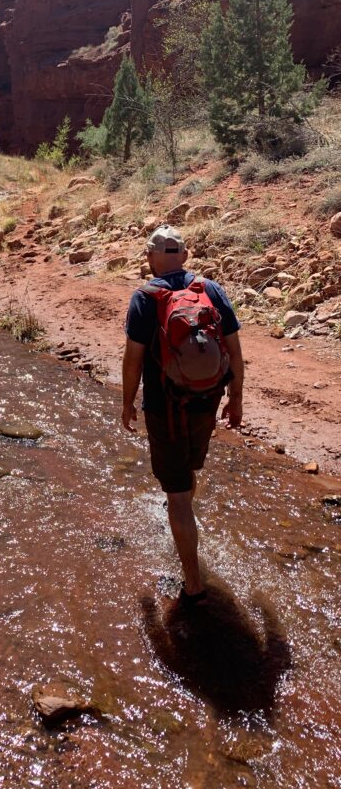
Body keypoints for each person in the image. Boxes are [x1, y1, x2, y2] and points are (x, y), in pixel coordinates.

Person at [121, 224, 244, 605]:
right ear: (186, 256)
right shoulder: (210, 290)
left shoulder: (145, 297)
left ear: (149, 257)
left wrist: (127, 402)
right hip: (207, 400)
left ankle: (193, 583)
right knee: (186, 472)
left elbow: (133, 360)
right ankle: (182, 504)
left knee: (176, 497)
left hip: (165, 408)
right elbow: (235, 352)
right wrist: (236, 399)